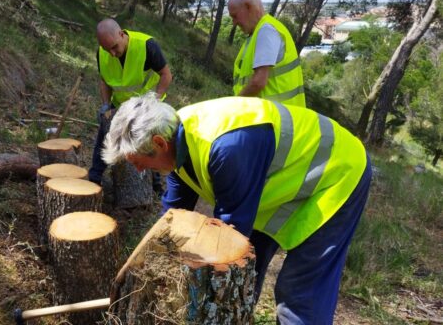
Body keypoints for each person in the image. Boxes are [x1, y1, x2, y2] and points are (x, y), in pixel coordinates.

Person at [102, 93, 372, 324]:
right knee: (247, 272)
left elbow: (229, 237)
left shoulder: (225, 148)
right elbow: (172, 216)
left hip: (335, 174)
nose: (137, 170)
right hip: (283, 184)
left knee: (299, 291)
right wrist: (150, 263)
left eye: (137, 161)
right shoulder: (174, 137)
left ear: (160, 143)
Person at [89, 18, 172, 193]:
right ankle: (95, 177)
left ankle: (155, 184)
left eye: (114, 47)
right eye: (106, 49)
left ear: (121, 34)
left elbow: (166, 75)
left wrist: (154, 101)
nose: (111, 53)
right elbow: (104, 80)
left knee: (148, 144)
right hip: (119, 104)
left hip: (145, 106)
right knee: (105, 136)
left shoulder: (146, 45)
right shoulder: (102, 53)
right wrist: (106, 106)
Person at [228, 0, 305, 107]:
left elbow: (258, 82)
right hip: (273, 117)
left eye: (235, 16)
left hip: (274, 119)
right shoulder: (258, 32)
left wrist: (235, 106)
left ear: (248, 7)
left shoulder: (266, 31)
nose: (234, 22)